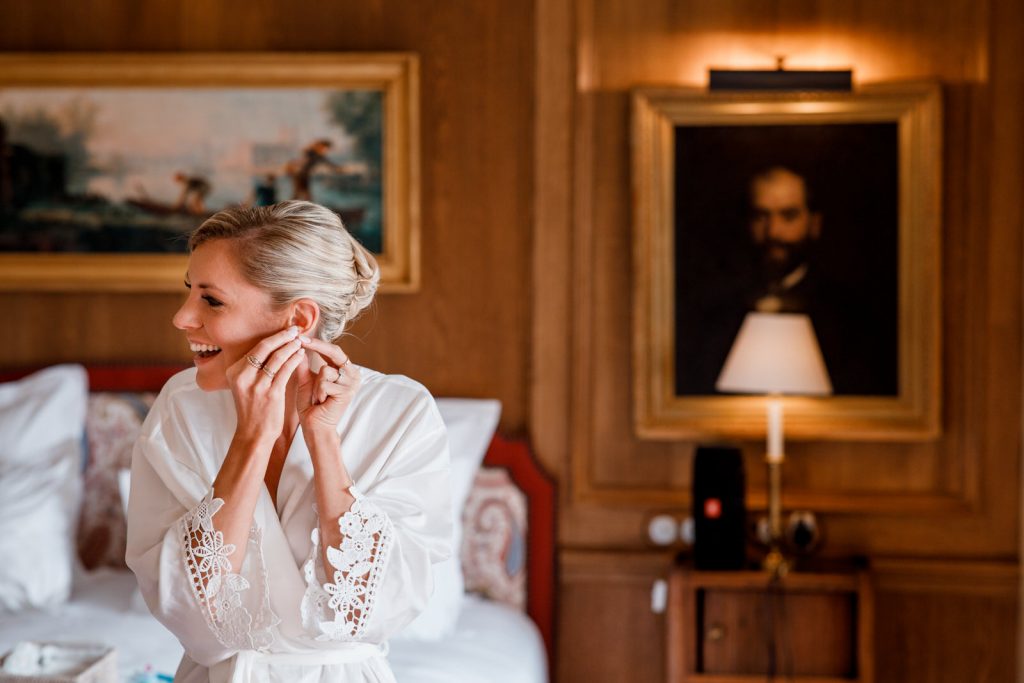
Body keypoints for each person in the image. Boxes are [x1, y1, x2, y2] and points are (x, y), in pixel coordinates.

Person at [125, 200, 452, 683]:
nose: (182, 318)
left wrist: (323, 439)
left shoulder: (400, 413)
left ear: (298, 320)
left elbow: (370, 610)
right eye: (189, 292)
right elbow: (186, 611)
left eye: (210, 300)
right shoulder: (182, 404)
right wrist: (251, 439)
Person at [286, 139, 350, 201]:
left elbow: (328, 163)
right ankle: (291, 209)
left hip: (303, 174)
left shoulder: (316, 154)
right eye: (325, 148)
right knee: (301, 194)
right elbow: (328, 163)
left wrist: (339, 169)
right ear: (321, 146)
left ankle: (298, 208)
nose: (325, 150)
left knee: (303, 194)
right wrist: (338, 169)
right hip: (300, 174)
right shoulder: (312, 153)